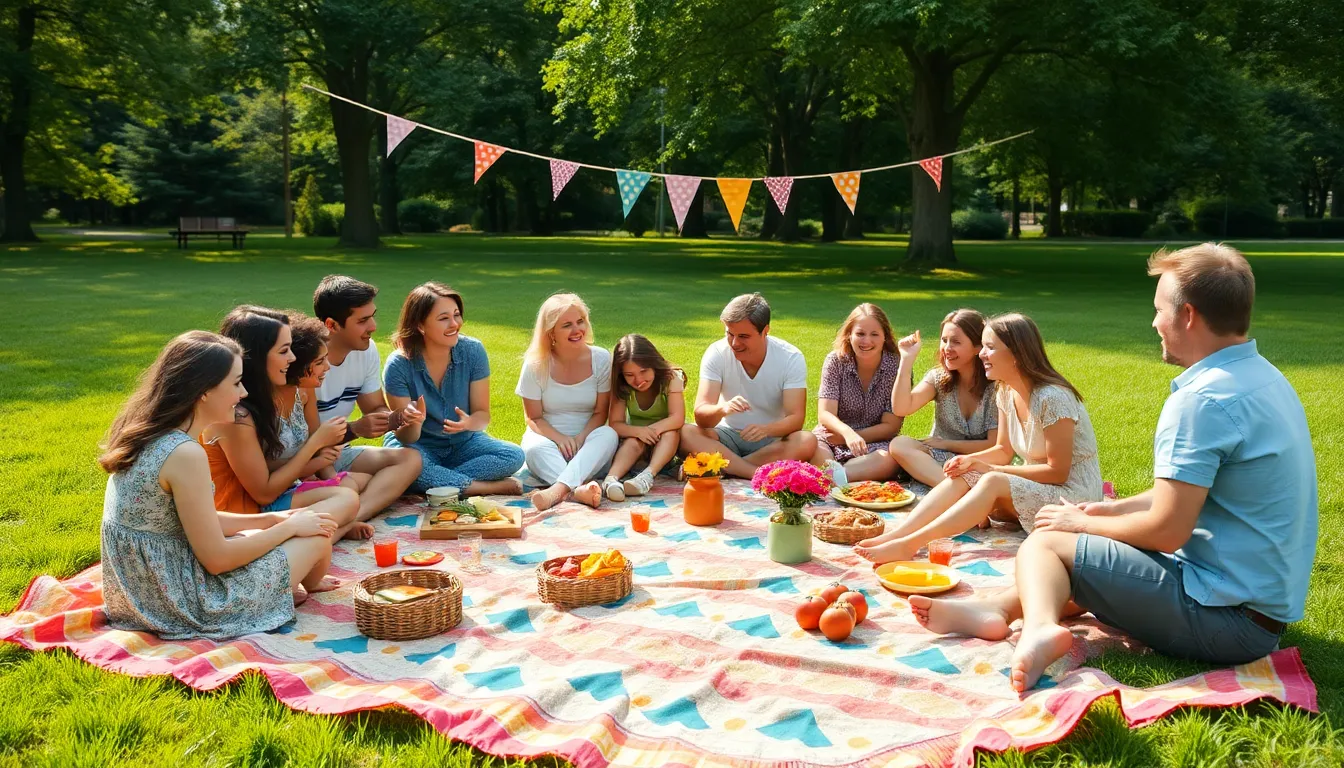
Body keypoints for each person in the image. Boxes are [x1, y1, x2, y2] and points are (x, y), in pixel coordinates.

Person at [910, 243, 1318, 693]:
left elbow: (1167, 531)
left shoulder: (1201, 402)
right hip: (1255, 611)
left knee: (1047, 545)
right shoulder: (1264, 378)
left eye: (1159, 309)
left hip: (1226, 621)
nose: (1153, 322)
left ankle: (1039, 628)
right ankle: (999, 611)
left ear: (1187, 316)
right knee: (1075, 558)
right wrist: (1112, 508)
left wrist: (1081, 522)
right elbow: (1192, 494)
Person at [100, 331, 344, 640]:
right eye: (235, 383)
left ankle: (285, 585)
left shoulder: (149, 431)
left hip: (140, 597)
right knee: (317, 538)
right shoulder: (184, 454)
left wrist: (272, 519)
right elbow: (217, 560)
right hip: (188, 604)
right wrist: (289, 529)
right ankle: (290, 587)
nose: (243, 393)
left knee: (276, 531)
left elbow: (189, 521)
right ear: (203, 390)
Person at [855, 312, 1102, 563]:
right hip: (1040, 488)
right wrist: (970, 462)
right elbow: (1003, 450)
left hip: (1072, 497)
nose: (982, 354)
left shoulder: (1052, 397)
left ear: (1017, 353)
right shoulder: (1006, 391)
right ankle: (898, 535)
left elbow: (1057, 472)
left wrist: (988, 468)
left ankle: (910, 545)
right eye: (982, 346)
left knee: (991, 480)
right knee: (968, 473)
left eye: (990, 347)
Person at [202, 307, 365, 539]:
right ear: (257, 356)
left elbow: (274, 466)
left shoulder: (267, 399)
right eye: (284, 350)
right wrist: (316, 444)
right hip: (245, 520)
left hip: (277, 502)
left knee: (351, 490)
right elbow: (265, 494)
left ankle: (330, 530)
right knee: (347, 498)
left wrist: (322, 463)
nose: (293, 358)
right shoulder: (235, 415)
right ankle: (332, 533)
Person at [382, 282, 525, 496]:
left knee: (514, 456)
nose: (455, 324)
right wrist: (415, 423)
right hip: (418, 446)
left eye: (456, 315)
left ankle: (436, 483)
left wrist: (469, 422)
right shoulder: (398, 365)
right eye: (443, 318)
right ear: (420, 325)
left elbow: (482, 415)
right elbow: (405, 437)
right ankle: (483, 488)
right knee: (412, 465)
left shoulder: (473, 351)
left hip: (463, 443)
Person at [310, 275, 422, 517]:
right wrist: (356, 429)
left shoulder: (366, 349)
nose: (373, 326)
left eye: (372, 316)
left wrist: (399, 417)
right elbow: (303, 440)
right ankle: (347, 508)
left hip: (339, 452)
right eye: (362, 320)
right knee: (366, 481)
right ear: (331, 325)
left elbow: (374, 407)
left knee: (411, 459)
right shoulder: (306, 360)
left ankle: (352, 516)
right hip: (306, 459)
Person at [680, 293, 816, 479]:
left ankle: (722, 467)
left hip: (770, 442)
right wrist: (722, 409)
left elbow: (796, 419)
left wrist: (766, 429)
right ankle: (754, 472)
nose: (735, 343)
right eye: (730, 334)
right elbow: (702, 417)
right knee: (686, 432)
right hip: (725, 437)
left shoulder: (790, 357)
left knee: (806, 441)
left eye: (743, 336)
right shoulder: (717, 352)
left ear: (765, 330)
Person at [517, 293, 619, 510]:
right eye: (566, 325)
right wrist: (560, 439)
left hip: (589, 444)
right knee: (533, 449)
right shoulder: (535, 364)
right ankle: (577, 490)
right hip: (549, 439)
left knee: (609, 434)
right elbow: (533, 417)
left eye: (580, 322)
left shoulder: (601, 359)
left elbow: (602, 414)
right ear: (551, 331)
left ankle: (557, 491)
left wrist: (581, 438)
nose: (577, 330)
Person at [885, 309, 998, 496]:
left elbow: (993, 445)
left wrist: (944, 443)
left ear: (978, 347)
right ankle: (960, 493)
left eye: (956, 342)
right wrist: (906, 361)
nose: (947, 348)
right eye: (944, 340)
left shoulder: (995, 387)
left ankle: (955, 492)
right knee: (899, 444)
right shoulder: (938, 378)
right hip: (939, 463)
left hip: (979, 462)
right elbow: (901, 408)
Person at [808, 303, 905, 484]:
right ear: (849, 335)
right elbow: (825, 414)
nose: (866, 341)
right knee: (813, 447)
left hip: (876, 441)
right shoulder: (835, 361)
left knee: (890, 459)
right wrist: (846, 433)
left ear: (885, 337)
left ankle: (832, 479)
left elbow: (891, 426)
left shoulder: (896, 366)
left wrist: (856, 436)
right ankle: (841, 477)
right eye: (860, 334)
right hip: (833, 436)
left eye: (874, 334)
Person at [601, 334, 685, 501]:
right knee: (633, 441)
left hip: (664, 439)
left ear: (654, 365)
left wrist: (652, 431)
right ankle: (610, 480)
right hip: (636, 441)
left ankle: (647, 476)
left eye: (644, 371)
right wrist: (639, 432)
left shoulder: (671, 378)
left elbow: (677, 418)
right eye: (629, 374)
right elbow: (615, 423)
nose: (638, 380)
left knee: (671, 433)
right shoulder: (622, 386)